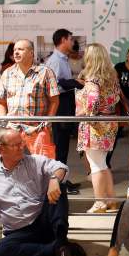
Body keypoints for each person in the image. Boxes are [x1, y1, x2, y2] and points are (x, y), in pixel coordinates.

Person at [0, 128, 82, 256]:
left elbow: (61, 167)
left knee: (60, 185)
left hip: (43, 221)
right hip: (18, 231)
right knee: (1, 254)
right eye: (15, 145)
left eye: (21, 143)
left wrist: (54, 179)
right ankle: (59, 247)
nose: (21, 147)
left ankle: (59, 240)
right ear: (0, 149)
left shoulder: (34, 161)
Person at [0, 39, 60, 159]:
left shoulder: (45, 72)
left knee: (42, 168)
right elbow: (1, 101)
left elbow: (54, 100)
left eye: (20, 49)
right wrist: (4, 123)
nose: (16, 52)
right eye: (15, 50)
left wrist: (46, 123)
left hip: (37, 130)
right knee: (11, 168)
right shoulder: (7, 73)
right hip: (12, 130)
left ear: (31, 53)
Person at [76, 43, 122, 211]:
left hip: (95, 125)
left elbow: (93, 101)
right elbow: (116, 97)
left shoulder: (93, 77)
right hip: (109, 122)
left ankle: (100, 201)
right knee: (102, 163)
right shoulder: (112, 75)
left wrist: (89, 116)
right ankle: (111, 200)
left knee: (95, 165)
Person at [45, 29, 82, 195]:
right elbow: (55, 83)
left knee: (64, 145)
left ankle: (63, 179)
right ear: (63, 40)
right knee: (60, 146)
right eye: (70, 38)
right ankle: (58, 183)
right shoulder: (55, 61)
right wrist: (76, 82)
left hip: (66, 102)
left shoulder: (62, 59)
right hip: (59, 104)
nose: (72, 42)